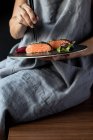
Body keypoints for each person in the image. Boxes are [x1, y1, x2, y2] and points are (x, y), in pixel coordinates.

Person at [0, 0, 93, 139]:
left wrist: (73, 52)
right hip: (23, 60)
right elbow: (15, 32)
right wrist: (19, 20)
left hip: (68, 69)